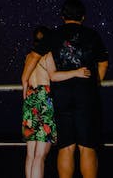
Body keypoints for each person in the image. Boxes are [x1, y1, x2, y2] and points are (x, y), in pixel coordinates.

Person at [33, 0, 109, 178]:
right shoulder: (92, 35)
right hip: (86, 94)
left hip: (61, 95)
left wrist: (24, 79)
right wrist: (95, 83)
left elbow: (33, 56)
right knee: (87, 146)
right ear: (83, 16)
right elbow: (103, 63)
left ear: (62, 16)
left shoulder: (53, 35)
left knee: (66, 147)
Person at [22, 25, 90, 178]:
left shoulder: (28, 57)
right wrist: (76, 72)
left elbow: (24, 81)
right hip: (44, 99)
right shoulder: (48, 55)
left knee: (31, 154)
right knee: (40, 155)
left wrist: (26, 98)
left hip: (30, 98)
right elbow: (53, 76)